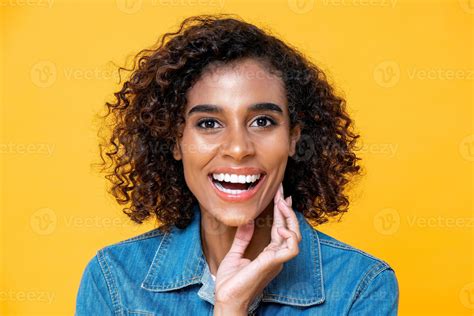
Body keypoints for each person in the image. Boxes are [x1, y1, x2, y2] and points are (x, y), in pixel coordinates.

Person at [75, 14, 399, 316]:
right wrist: (230, 307)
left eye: (262, 121)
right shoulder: (114, 280)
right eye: (208, 124)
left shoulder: (360, 286)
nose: (238, 148)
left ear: (294, 139)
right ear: (175, 141)